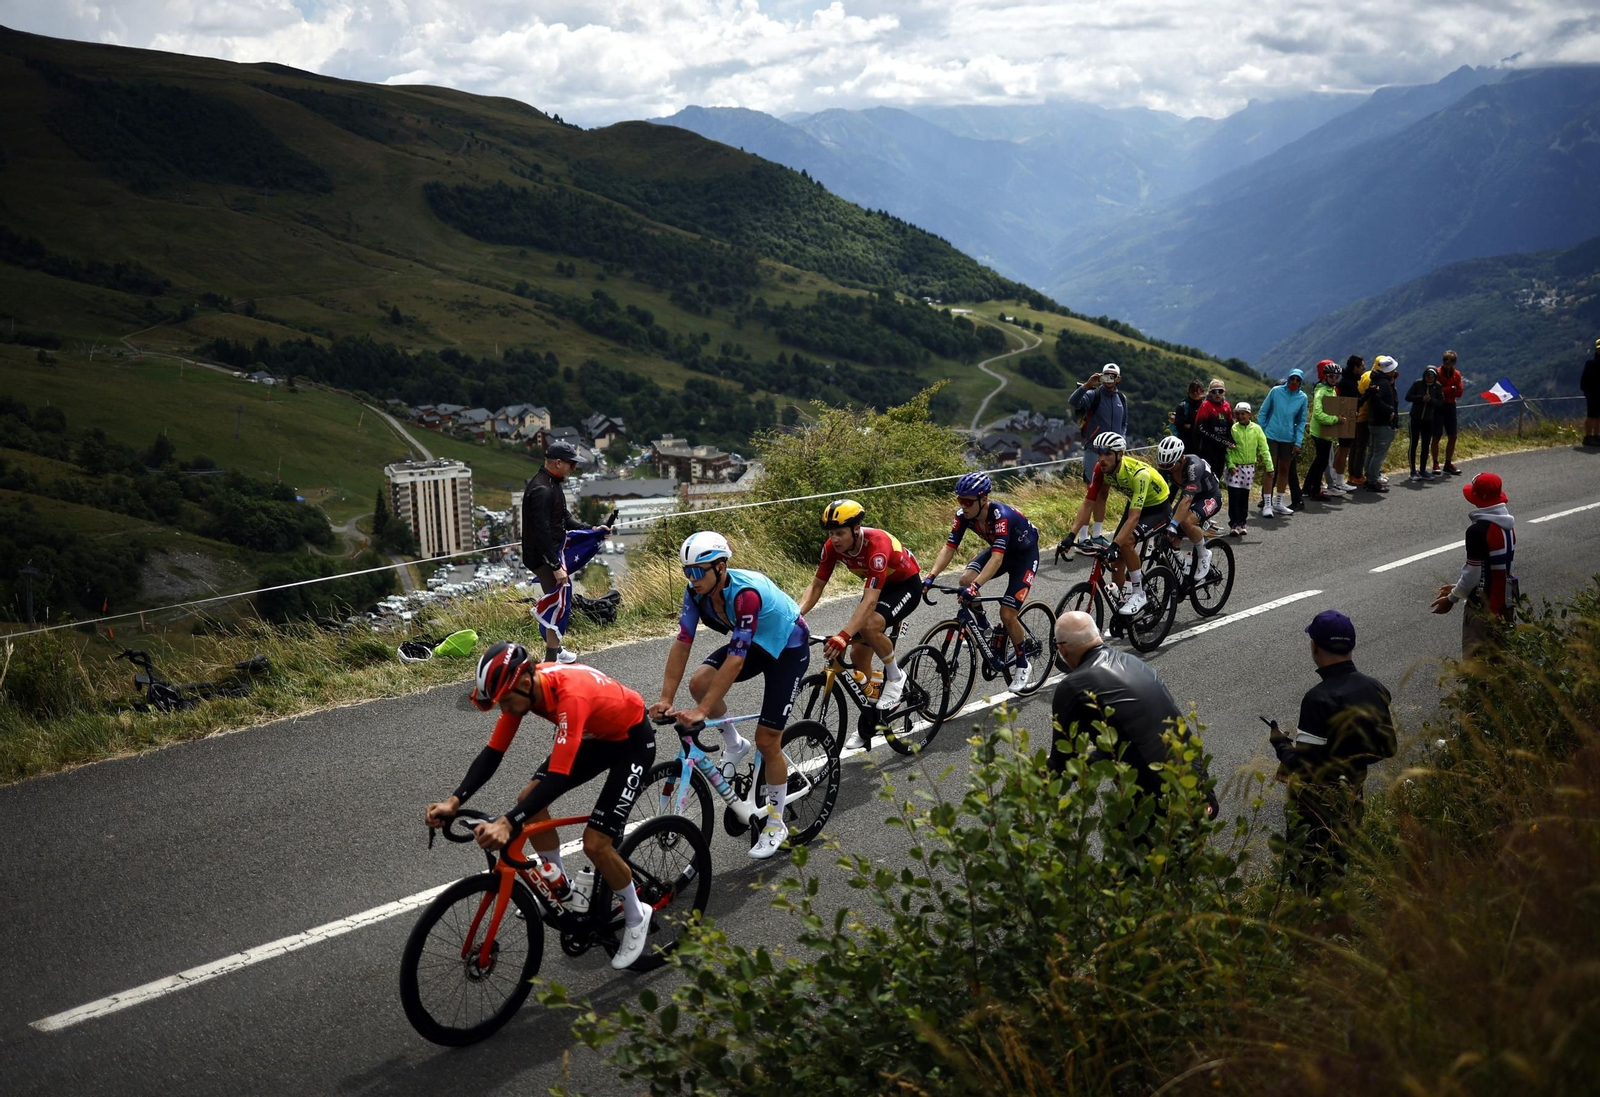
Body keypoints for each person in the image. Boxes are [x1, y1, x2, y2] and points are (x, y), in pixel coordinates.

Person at [425, 644, 658, 969]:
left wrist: (507, 823)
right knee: (528, 802)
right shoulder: (523, 692)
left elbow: (557, 775)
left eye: (506, 700)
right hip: (593, 738)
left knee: (596, 843)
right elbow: (493, 753)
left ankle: (636, 914)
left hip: (631, 743)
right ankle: (563, 890)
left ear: (524, 682)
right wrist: (454, 800)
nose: (504, 708)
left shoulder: (570, 696)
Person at [653, 532, 810, 859]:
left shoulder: (745, 596)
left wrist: (703, 711)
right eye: (687, 572)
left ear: (721, 567)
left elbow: (736, 660)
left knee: (768, 741)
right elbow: (683, 642)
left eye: (697, 571)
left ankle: (776, 823)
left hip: (788, 647)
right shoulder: (695, 594)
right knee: (699, 683)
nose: (691, 579)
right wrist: (667, 698)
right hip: (755, 642)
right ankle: (735, 743)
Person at [1268, 611, 1397, 893]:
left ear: (1314, 646)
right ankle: (1339, 923)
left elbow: (1303, 767)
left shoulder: (1318, 699)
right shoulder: (1375, 687)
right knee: (1341, 867)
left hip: (1317, 806)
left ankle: (1313, 927)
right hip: (1353, 794)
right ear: (1352, 646)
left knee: (1310, 875)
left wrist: (1280, 743)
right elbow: (1388, 747)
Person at [1049, 610, 1218, 822]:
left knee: (1129, 847)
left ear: (1061, 649)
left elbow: (1062, 767)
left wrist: (1031, 777)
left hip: (1157, 808)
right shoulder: (1135, 663)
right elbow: (1134, 735)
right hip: (1199, 789)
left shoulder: (1072, 687)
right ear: (1098, 633)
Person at [795, 499, 923, 745]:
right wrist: (797, 616)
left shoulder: (876, 545)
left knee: (868, 626)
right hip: (878, 589)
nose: (835, 539)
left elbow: (870, 602)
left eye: (840, 533)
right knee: (858, 656)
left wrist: (842, 635)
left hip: (905, 586)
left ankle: (896, 677)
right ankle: (874, 719)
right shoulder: (832, 548)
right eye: (832, 533)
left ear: (856, 530)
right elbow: (816, 585)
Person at [924, 472, 1042, 663]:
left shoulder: (1001, 516)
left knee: (1007, 613)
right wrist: (931, 576)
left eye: (968, 502)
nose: (963, 506)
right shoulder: (963, 516)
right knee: (964, 580)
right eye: (960, 500)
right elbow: (949, 548)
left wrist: (975, 587)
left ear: (984, 500)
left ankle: (1022, 664)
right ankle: (984, 626)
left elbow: (996, 559)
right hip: (1001, 552)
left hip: (1024, 556)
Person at [1062, 433, 1171, 616]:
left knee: (1124, 543)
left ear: (1120, 454)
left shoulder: (1138, 474)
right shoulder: (1101, 469)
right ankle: (1122, 608)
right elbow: (1088, 503)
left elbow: (1134, 517)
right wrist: (1070, 536)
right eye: (1099, 453)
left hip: (1158, 508)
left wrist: (1114, 545)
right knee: (1117, 557)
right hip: (1136, 502)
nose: (1101, 459)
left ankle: (1139, 593)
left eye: (1107, 454)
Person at [521, 441, 608, 664]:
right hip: (542, 556)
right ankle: (551, 660)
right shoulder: (542, 489)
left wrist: (591, 529)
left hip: (548, 553)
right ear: (558, 463)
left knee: (558, 600)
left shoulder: (552, 483)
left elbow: (564, 519)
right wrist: (555, 565)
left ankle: (556, 651)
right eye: (571, 464)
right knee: (556, 603)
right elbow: (540, 532)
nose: (574, 469)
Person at [1430, 472, 1518, 659]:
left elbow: (1473, 574)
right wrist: (1458, 587)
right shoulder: (1508, 526)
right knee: (1502, 666)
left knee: (1477, 670)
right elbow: (1493, 571)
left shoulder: (1478, 531)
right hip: (1506, 604)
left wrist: (1451, 599)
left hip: (1484, 610)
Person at [1067, 364, 1130, 540]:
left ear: (1118, 379)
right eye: (1106, 375)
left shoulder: (1122, 399)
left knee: (1104, 492)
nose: (1109, 378)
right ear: (1101, 376)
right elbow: (1073, 402)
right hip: (1093, 450)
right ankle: (1082, 537)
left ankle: (1097, 535)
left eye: (1113, 375)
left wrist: (1121, 440)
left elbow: (1124, 423)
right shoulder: (1093, 394)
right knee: (1092, 493)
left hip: (1112, 453)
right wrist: (1087, 385)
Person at [1153, 435, 1218, 580]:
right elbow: (1162, 495)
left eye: (1169, 466)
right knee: (1170, 538)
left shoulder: (1193, 466)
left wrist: (1174, 524)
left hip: (1209, 496)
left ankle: (1203, 554)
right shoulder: (1166, 467)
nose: (1165, 469)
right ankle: (1182, 566)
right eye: (1162, 465)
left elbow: (1187, 499)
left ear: (1181, 458)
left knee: (1186, 521)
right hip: (1190, 496)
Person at [1257, 368, 1310, 516]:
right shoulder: (1276, 391)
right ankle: (1267, 504)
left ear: (1300, 382)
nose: (1294, 382)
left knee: (1284, 470)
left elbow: (1301, 421)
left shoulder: (1302, 398)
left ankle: (1279, 503)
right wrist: (1261, 432)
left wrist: (1298, 441)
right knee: (1270, 469)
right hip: (1271, 435)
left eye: (1297, 380)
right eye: (1292, 378)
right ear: (1288, 378)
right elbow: (1263, 412)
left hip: (1288, 438)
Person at [1225, 401, 1272, 536]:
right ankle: (1233, 524)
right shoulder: (1233, 429)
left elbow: (1264, 448)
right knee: (1234, 497)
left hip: (1249, 468)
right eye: (1238, 414)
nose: (1240, 416)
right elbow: (1228, 449)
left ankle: (1242, 523)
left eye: (1243, 414)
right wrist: (1230, 465)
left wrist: (1270, 467)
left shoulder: (1256, 429)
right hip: (1235, 468)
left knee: (1244, 497)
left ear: (1249, 414)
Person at [1302, 360, 1347, 501]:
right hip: (1321, 432)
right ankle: (1315, 491)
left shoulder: (1331, 390)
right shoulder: (1322, 391)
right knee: (1321, 463)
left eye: (1336, 377)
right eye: (1331, 376)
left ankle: (1307, 488)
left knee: (1319, 462)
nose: (1334, 379)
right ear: (1325, 376)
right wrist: (1336, 420)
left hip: (1326, 432)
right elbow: (1318, 414)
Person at [1362, 356, 1401, 492]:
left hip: (1373, 421)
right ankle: (1373, 481)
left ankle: (1369, 478)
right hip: (1382, 423)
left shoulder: (1374, 380)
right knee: (1378, 454)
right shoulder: (1384, 383)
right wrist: (1390, 410)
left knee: (1372, 452)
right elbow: (1377, 400)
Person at [1405, 365, 1444, 481]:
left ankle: (1422, 470)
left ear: (1435, 377)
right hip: (1415, 418)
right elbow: (1408, 397)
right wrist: (1421, 398)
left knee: (1426, 445)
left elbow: (1441, 402)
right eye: (1427, 376)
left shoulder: (1438, 387)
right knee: (1414, 444)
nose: (1429, 378)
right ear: (1424, 376)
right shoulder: (1417, 384)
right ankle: (1412, 471)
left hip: (1428, 419)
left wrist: (1431, 400)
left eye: (1432, 376)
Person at [1430, 351, 1465, 474]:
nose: (1447, 362)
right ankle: (1435, 463)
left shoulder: (1457, 374)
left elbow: (1460, 392)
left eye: (1450, 360)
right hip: (1438, 407)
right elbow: (1436, 390)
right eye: (1445, 359)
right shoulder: (1437, 373)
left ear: (1454, 362)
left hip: (1450, 406)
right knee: (1436, 435)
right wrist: (1451, 389)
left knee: (1453, 436)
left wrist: (1447, 391)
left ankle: (1448, 463)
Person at [1193, 379, 1234, 483]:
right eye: (1214, 391)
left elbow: (1230, 426)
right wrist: (1222, 440)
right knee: (1207, 477)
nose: (1217, 394)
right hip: (1207, 449)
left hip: (1221, 449)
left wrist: (1231, 441)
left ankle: (1214, 498)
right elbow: (1200, 428)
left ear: (1225, 392)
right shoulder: (1205, 405)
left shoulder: (1227, 406)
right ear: (1210, 392)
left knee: (1217, 476)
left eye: (1220, 391)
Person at [1340, 355, 1369, 487]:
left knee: (1349, 448)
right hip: (1349, 418)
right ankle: (1346, 477)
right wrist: (1368, 394)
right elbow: (1355, 403)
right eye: (1362, 366)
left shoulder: (1347, 380)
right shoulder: (1349, 383)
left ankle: (1344, 477)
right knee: (1349, 448)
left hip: (1348, 417)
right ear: (1356, 368)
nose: (1364, 368)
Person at [1169, 379, 1205, 454]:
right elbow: (1179, 426)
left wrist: (1190, 426)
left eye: (1198, 391)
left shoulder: (1206, 406)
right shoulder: (1182, 407)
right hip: (1186, 445)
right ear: (1189, 392)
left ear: (1202, 392)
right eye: (1193, 390)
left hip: (1203, 444)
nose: (1195, 393)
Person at [1583, 339, 1600, 448]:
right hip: (1593, 394)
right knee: (1592, 416)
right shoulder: (1591, 363)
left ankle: (1596, 436)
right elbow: (1584, 381)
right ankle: (1588, 437)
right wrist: (1588, 392)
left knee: (1598, 416)